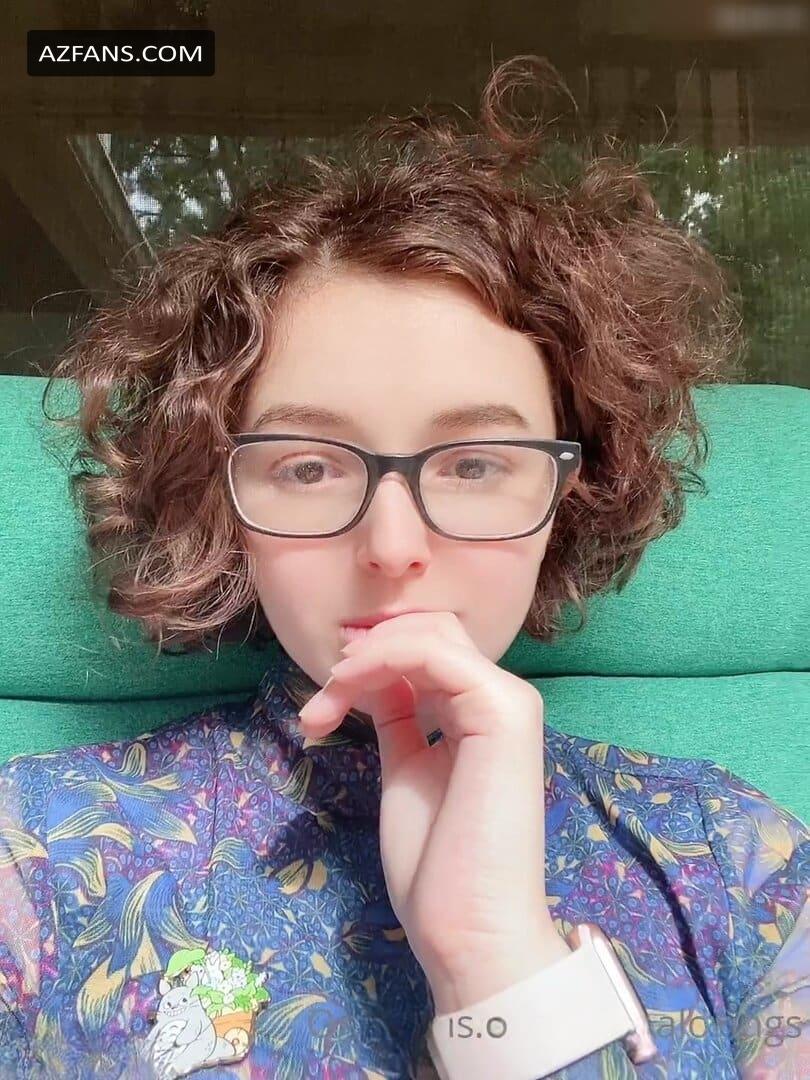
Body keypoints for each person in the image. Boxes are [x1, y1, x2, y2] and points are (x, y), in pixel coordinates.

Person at [1, 54, 807, 1080]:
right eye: (306, 466)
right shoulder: (38, 857)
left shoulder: (737, 861)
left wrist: (497, 972)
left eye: (475, 463)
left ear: (572, 494)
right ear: (220, 500)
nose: (391, 548)